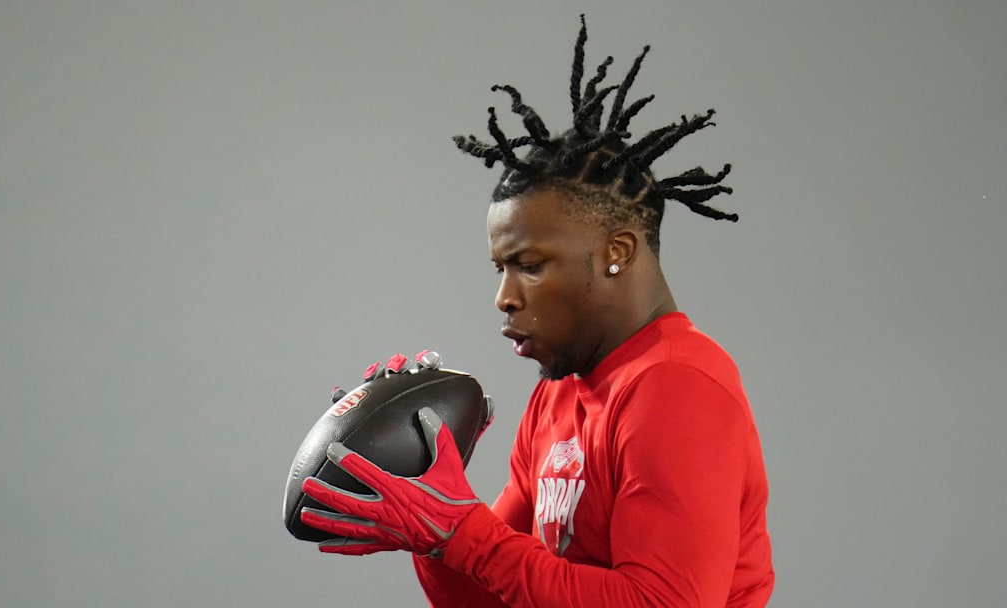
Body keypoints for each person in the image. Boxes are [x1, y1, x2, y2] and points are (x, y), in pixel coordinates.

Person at [300, 15, 774, 607]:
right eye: (500, 269)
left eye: (529, 265)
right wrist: (428, 513)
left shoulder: (676, 385)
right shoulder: (558, 397)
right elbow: (488, 597)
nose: (504, 296)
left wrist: (461, 532)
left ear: (617, 252)